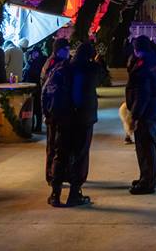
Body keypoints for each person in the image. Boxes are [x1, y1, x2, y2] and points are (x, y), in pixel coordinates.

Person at [125, 34, 156, 194]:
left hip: (146, 112)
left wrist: (135, 115)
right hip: (151, 109)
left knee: (145, 147)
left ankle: (147, 182)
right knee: (146, 146)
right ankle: (145, 177)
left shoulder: (143, 66)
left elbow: (143, 93)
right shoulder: (153, 61)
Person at [62, 42, 100, 207]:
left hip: (68, 115)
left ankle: (62, 187)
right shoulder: (90, 69)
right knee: (81, 153)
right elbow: (100, 76)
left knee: (69, 151)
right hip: (84, 116)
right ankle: (74, 191)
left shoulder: (68, 67)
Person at [41, 38, 71, 205]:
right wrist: (47, 112)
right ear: (59, 50)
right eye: (66, 49)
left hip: (56, 111)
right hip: (54, 112)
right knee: (53, 146)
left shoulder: (58, 63)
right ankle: (51, 175)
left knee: (57, 145)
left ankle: (56, 174)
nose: (68, 52)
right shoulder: (54, 64)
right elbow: (47, 90)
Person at [22, 43, 48, 133]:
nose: (33, 54)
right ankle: (34, 126)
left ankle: (36, 126)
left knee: (36, 108)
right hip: (33, 87)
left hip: (36, 87)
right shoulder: (32, 61)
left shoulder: (38, 63)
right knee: (34, 108)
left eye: (34, 53)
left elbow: (35, 74)